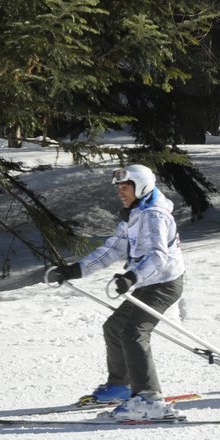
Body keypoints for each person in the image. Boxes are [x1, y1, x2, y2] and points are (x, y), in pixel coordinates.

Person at [51, 164, 185, 420]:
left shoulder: (154, 215)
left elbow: (159, 256)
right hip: (147, 282)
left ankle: (149, 398)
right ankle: (121, 386)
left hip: (163, 283)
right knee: (114, 328)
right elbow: (112, 249)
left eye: (126, 187)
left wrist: (132, 276)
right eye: (119, 188)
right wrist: (76, 270)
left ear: (142, 186)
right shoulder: (135, 213)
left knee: (134, 333)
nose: (121, 193)